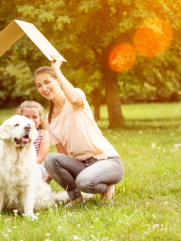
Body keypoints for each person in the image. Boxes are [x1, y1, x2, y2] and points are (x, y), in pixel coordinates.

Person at [34, 54, 124, 208]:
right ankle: (76, 198)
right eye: (39, 85)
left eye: (47, 82)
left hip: (108, 161)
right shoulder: (49, 118)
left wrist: (57, 69)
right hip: (82, 165)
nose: (44, 88)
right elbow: (62, 155)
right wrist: (47, 179)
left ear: (57, 81)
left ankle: (107, 187)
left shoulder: (75, 97)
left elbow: (75, 99)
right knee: (50, 159)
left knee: (84, 182)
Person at [16, 101, 50, 181]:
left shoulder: (44, 134)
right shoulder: (16, 134)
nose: (30, 120)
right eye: (26, 117)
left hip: (36, 166)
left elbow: (40, 157)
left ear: (40, 120)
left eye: (35, 117)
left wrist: (24, 167)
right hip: (17, 166)